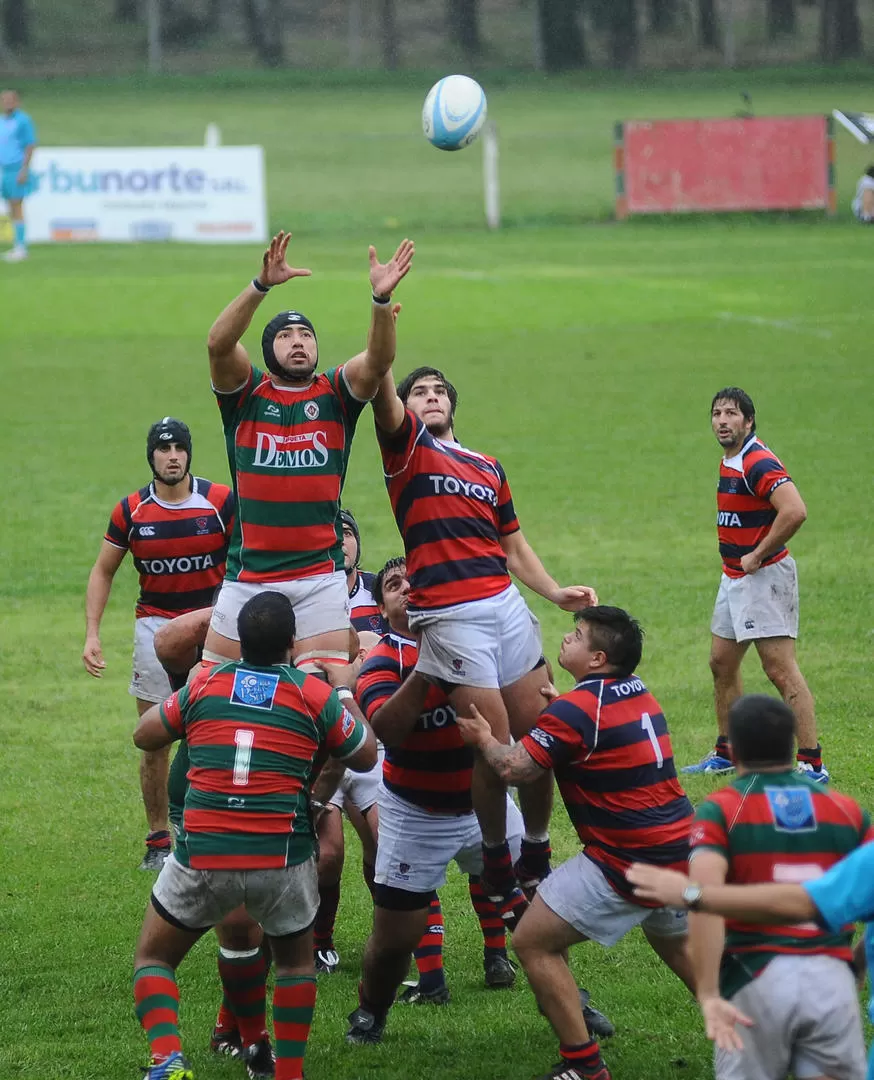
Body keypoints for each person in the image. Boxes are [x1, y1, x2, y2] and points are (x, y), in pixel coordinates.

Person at [370, 364, 598, 925]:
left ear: (453, 405)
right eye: (418, 392)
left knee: (542, 730)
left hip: (504, 605)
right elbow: (378, 380)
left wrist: (553, 592)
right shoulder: (407, 453)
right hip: (450, 613)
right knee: (495, 746)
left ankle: (537, 847)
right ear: (406, 408)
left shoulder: (488, 466)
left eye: (439, 391)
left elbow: (512, 546)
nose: (430, 398)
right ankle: (497, 856)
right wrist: (381, 307)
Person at [131, 591, 377, 1080]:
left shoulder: (206, 685)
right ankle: (287, 1073)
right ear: (292, 642)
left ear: (238, 641)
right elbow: (366, 756)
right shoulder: (314, 695)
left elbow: (144, 734)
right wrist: (345, 690)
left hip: (204, 855)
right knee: (293, 966)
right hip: (280, 858)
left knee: (154, 957)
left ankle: (168, 1058)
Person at [457, 607, 695, 1080]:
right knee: (688, 957)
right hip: (682, 848)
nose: (566, 639)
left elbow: (515, 768)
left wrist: (485, 739)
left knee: (532, 942)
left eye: (578, 636)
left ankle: (584, 1067)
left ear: (598, 658)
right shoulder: (636, 691)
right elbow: (595, 729)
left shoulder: (577, 709)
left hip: (626, 859)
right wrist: (564, 709)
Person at [203, 229, 414, 680]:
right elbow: (218, 344)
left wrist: (380, 302)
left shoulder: (335, 393)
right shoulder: (246, 395)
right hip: (249, 575)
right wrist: (260, 286)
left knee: (325, 691)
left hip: (319, 576)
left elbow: (377, 362)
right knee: (215, 686)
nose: (298, 341)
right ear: (268, 349)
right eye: (286, 336)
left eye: (305, 334)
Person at [628, 693, 871, 1080]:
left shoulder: (722, 809)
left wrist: (707, 993)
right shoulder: (848, 811)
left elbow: (705, 903)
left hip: (757, 980)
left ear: (734, 748)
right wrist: (857, 964)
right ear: (793, 743)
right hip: (831, 983)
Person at [83, 417, 233, 870]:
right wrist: (92, 632)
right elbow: (102, 570)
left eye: (179, 449)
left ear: (190, 454)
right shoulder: (131, 511)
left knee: (220, 728)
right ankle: (157, 840)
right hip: (153, 627)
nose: (172, 456)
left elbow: (250, 557)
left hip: (213, 628)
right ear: (151, 456)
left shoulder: (222, 502)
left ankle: (215, 823)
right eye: (163, 449)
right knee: (155, 738)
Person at [683, 388, 827, 781]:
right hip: (733, 578)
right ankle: (727, 751)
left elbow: (795, 510)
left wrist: (759, 553)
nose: (722, 420)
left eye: (732, 413)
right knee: (721, 663)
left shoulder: (757, 461)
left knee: (780, 669)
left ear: (748, 421)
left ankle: (812, 762)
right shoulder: (731, 459)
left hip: (762, 578)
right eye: (716, 413)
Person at [311, 508, 385, 974]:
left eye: (346, 534)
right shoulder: (307, 595)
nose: (340, 543)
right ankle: (320, 940)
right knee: (329, 853)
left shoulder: (382, 588)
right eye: (330, 536)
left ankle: (388, 932)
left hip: (373, 735)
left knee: (383, 843)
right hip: (321, 740)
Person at [0, 89, 37, 263]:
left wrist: (24, 170)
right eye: (3, 100)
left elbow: (29, 145)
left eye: (10, 100)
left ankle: (21, 247)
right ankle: (17, 245)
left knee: (17, 206)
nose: (6, 103)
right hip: (4, 170)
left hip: (16, 169)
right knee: (10, 207)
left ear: (17, 102)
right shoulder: (2, 121)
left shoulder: (23, 121)